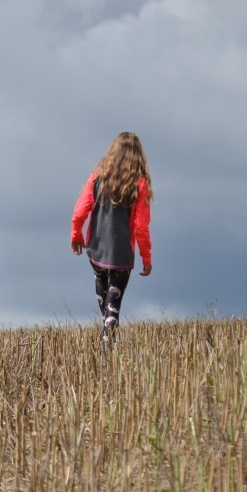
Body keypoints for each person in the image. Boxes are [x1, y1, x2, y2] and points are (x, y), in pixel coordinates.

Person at [70, 132, 153, 341]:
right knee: (113, 305)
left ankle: (107, 335)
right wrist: (146, 257)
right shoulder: (140, 184)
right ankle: (108, 341)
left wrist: (76, 235)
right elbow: (141, 227)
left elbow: (79, 212)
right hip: (122, 254)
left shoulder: (97, 178)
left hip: (97, 249)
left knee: (105, 298)